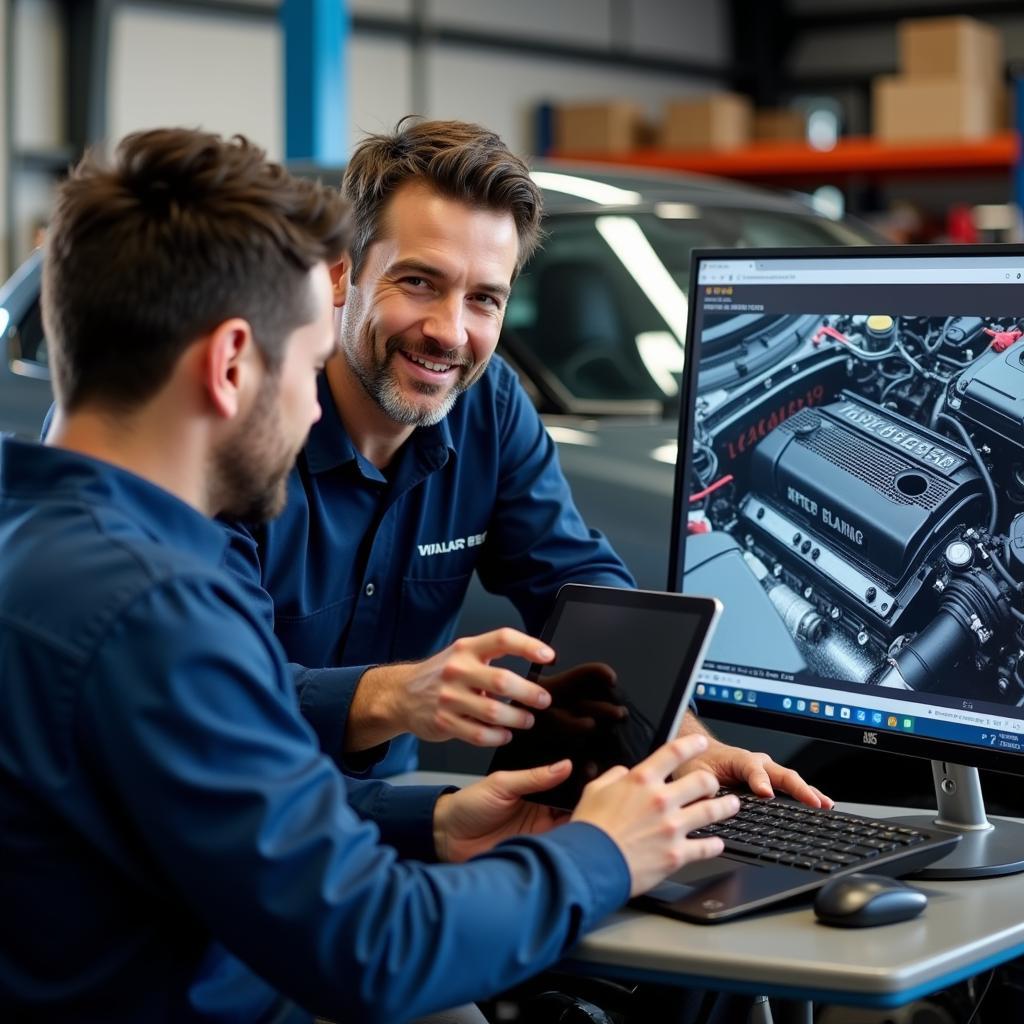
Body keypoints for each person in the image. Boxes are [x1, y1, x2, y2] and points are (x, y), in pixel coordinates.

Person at [0, 126, 742, 1023]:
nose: (314, 404)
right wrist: (601, 851)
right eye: (307, 364)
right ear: (233, 362)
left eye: (483, 297)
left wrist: (436, 819)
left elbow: (247, 826)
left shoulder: (44, 543)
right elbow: (374, 943)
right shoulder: (157, 614)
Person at [223, 117, 832, 807]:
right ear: (342, 275)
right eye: (419, 281)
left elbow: (577, 586)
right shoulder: (238, 427)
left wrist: (687, 747)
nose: (451, 332)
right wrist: (395, 695)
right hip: (227, 815)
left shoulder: (489, 408)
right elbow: (210, 690)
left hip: (386, 816)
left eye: (484, 298)